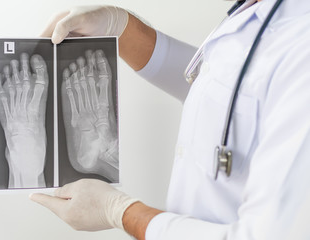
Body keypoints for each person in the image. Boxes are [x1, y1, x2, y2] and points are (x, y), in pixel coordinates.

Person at [30, 1, 310, 239]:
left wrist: (120, 211)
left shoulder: (301, 45)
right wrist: (121, 28)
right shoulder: (258, 10)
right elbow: (222, 93)